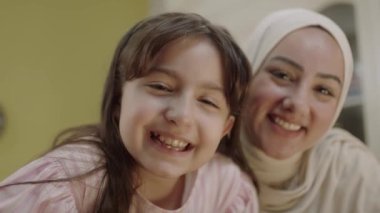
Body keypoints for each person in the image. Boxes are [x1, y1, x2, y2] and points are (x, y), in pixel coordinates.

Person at [0, 12, 258, 212]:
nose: (181, 115)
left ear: (226, 127)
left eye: (207, 101)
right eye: (161, 87)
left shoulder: (227, 189)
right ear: (118, 100)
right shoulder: (64, 184)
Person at [240, 8, 380, 212]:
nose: (298, 103)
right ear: (247, 74)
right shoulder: (196, 162)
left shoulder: (350, 172)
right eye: (282, 75)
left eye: (323, 90)